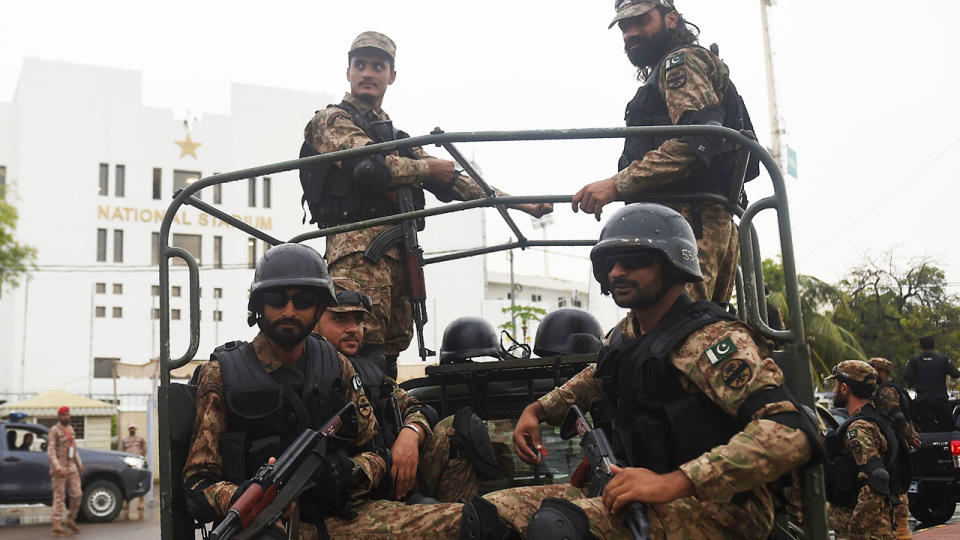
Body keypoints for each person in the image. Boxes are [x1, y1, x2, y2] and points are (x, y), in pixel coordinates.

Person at [457, 203, 818, 539]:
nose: (616, 272)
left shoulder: (714, 340)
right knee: (486, 517)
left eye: (633, 260)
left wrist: (675, 482)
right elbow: (596, 376)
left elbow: (791, 431)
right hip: (639, 484)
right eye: (610, 262)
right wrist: (537, 410)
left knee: (558, 529)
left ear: (673, 264)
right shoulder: (627, 334)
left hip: (722, 507)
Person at [302, 31, 552, 379]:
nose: (368, 73)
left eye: (378, 66)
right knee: (360, 346)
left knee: (391, 349)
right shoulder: (330, 121)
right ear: (348, 72)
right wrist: (427, 168)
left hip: (399, 253)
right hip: (357, 254)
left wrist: (516, 203)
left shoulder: (397, 137)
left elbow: (452, 180)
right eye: (360, 65)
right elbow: (369, 167)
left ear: (392, 75)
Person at [182, 243, 388, 539]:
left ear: (318, 307)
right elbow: (196, 484)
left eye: (303, 301)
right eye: (277, 300)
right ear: (259, 306)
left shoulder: (337, 366)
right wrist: (242, 496)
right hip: (265, 525)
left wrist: (347, 470)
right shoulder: (222, 375)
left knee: (467, 518)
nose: (289, 311)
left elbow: (378, 453)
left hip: (343, 520)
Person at [571, 0, 758, 305]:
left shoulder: (679, 63)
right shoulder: (673, 67)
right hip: (696, 219)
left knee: (674, 329)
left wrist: (616, 184)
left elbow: (698, 141)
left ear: (671, 19)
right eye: (624, 26)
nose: (630, 33)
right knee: (694, 330)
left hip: (691, 220)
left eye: (641, 21)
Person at [315, 278, 501, 504]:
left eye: (358, 320)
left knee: (458, 427)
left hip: (396, 485)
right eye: (340, 319)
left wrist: (411, 433)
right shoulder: (312, 376)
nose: (353, 329)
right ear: (315, 322)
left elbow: (417, 407)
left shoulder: (370, 373)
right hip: (355, 499)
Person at [824, 360, 909, 540]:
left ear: (845, 388)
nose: (834, 391)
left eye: (836, 385)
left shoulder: (859, 429)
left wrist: (856, 532)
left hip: (868, 532)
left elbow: (877, 480)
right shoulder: (879, 420)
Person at [868, 357, 917, 540]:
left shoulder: (887, 391)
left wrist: (910, 437)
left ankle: (902, 531)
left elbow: (897, 417)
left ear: (882, 372)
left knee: (897, 487)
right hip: (897, 441)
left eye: (874, 371)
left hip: (894, 442)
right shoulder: (897, 388)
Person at [904, 336, 959, 431]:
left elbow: (906, 376)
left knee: (926, 429)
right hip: (941, 400)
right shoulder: (943, 359)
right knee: (948, 428)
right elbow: (955, 374)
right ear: (933, 346)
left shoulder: (914, 360)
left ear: (921, 346)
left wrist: (915, 381)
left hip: (923, 400)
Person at [48, 406, 83, 537]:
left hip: (71, 466)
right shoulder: (54, 430)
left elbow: (73, 448)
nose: (66, 417)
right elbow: (50, 452)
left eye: (68, 414)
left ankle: (71, 518)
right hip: (60, 468)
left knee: (77, 494)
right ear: (59, 416)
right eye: (63, 415)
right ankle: (56, 525)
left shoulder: (70, 429)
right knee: (59, 498)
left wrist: (79, 463)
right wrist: (58, 468)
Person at [120, 422, 148, 514]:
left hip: (138, 462)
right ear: (128, 430)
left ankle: (141, 502)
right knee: (127, 482)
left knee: (140, 481)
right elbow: (121, 450)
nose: (132, 430)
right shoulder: (124, 439)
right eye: (130, 428)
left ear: (136, 429)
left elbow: (144, 449)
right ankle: (127, 502)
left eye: (133, 428)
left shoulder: (141, 439)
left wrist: (141, 458)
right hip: (128, 463)